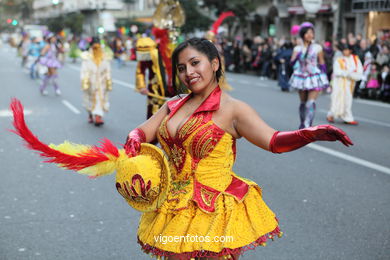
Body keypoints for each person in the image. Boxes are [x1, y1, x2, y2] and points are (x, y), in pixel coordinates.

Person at [124, 38, 353, 259]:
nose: (189, 72)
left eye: (195, 63)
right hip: (173, 205)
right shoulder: (171, 105)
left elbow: (273, 141)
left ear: (214, 63)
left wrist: (308, 134)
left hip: (213, 209)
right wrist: (135, 137)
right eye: (182, 67)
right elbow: (143, 132)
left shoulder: (234, 110)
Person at [289, 22, 329, 129]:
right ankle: (302, 124)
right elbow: (291, 63)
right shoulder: (297, 49)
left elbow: (322, 63)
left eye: (312, 32)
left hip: (314, 77)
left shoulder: (317, 48)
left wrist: (325, 78)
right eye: (307, 33)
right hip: (301, 77)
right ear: (303, 35)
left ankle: (308, 125)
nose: (310, 35)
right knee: (303, 102)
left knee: (310, 102)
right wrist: (297, 57)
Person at [327, 43, 363, 125]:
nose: (344, 51)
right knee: (336, 98)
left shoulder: (355, 59)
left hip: (349, 83)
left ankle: (347, 117)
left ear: (350, 50)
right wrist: (347, 73)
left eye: (346, 50)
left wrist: (351, 74)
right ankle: (331, 114)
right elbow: (337, 71)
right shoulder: (339, 59)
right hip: (339, 82)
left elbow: (359, 70)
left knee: (348, 99)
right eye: (343, 50)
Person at [80, 37, 112, 126]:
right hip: (90, 81)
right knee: (89, 99)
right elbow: (84, 70)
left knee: (100, 98)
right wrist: (85, 81)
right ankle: (90, 114)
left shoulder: (104, 56)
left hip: (101, 82)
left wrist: (108, 81)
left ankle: (98, 116)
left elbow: (108, 70)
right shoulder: (87, 57)